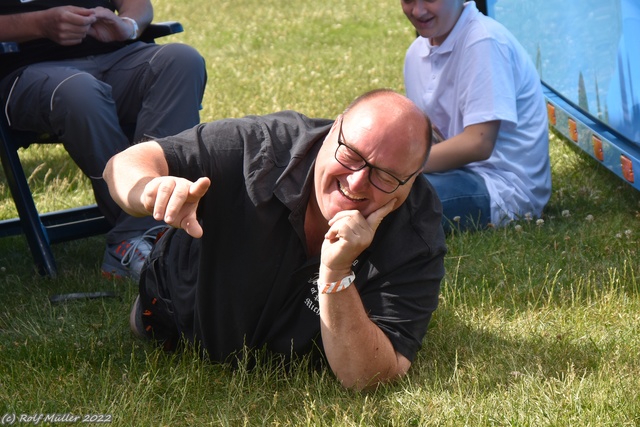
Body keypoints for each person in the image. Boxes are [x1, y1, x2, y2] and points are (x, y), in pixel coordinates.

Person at [103, 89, 447, 390]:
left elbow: (369, 377)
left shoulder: (416, 229)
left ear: (411, 181)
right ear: (333, 130)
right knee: (147, 326)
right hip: (176, 312)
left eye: (385, 176)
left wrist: (337, 274)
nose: (356, 183)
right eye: (351, 155)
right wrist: (152, 189)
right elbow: (122, 165)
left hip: (296, 344)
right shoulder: (260, 147)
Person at [0, 0, 207, 279]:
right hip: (25, 69)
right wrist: (39, 24)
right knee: (80, 92)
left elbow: (137, 4)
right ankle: (148, 233)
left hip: (117, 55)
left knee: (182, 60)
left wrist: (128, 26)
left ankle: (145, 231)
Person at [402, 0, 552, 232]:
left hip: (503, 188)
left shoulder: (483, 40)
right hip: (454, 172)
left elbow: (478, 143)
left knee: (387, 200)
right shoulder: (415, 53)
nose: (418, 10)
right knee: (374, 189)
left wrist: (397, 167)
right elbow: (428, 137)